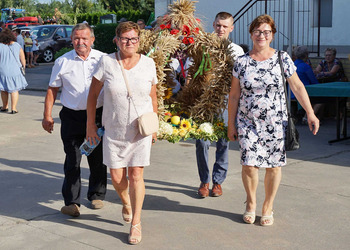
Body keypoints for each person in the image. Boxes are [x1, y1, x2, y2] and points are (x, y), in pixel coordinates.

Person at [228, 14, 319, 226]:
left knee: (273, 166)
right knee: (249, 164)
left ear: (272, 35)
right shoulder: (241, 62)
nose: (262, 35)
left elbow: (297, 86)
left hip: (276, 122)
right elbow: (234, 95)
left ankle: (268, 206)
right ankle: (250, 203)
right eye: (258, 31)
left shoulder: (282, 58)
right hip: (247, 122)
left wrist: (310, 112)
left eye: (266, 32)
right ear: (251, 34)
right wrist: (231, 123)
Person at [86, 21, 158, 245]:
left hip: (139, 131)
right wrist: (90, 125)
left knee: (136, 175)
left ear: (139, 40)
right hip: (114, 131)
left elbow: (153, 96)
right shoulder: (106, 62)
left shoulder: (148, 64)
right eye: (125, 39)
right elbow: (92, 96)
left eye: (134, 39)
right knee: (117, 178)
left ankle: (136, 222)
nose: (130, 43)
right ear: (116, 40)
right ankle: (125, 201)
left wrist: (154, 124)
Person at [42, 23, 107, 217]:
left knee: (97, 158)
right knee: (73, 158)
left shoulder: (103, 59)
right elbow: (52, 89)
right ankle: (72, 202)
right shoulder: (62, 61)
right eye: (77, 38)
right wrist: (47, 116)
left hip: (97, 115)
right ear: (71, 40)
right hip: (71, 116)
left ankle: (96, 194)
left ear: (92, 40)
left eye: (84, 38)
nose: (80, 42)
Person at [196, 12, 244, 198]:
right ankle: (204, 180)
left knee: (223, 142)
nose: (220, 29)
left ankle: (218, 182)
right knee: (202, 142)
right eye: (218, 25)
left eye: (225, 26)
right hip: (205, 102)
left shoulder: (237, 51)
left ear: (231, 28)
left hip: (226, 102)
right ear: (214, 25)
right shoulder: (203, 47)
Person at [0, 28, 27, 114]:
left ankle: (4, 106)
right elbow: (22, 59)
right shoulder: (17, 45)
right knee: (14, 90)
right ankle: (14, 108)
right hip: (15, 70)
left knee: (4, 89)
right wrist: (24, 67)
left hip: (3, 70)